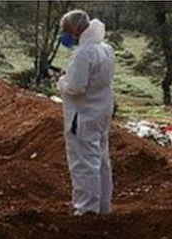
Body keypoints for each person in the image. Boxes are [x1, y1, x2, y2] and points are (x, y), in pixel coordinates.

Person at [57, 10, 115, 215]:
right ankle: (103, 207)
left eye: (65, 30)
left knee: (84, 163)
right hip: (100, 112)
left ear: (76, 30)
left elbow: (76, 87)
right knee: (100, 161)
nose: (63, 35)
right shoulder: (106, 49)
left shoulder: (84, 53)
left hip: (81, 116)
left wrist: (61, 82)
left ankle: (86, 209)